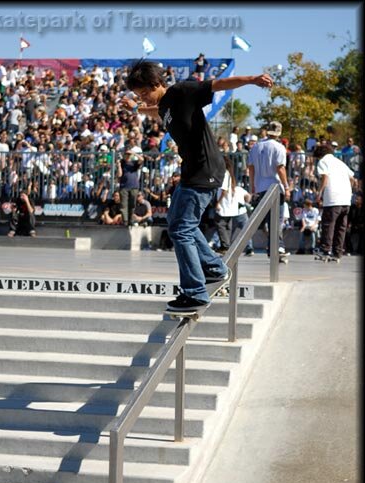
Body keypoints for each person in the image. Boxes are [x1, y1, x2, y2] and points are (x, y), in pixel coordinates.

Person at [122, 59, 273, 312]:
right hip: (192, 171)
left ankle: (195, 292)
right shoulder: (166, 105)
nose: (144, 98)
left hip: (205, 169)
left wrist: (251, 79)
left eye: (145, 92)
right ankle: (215, 269)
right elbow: (157, 110)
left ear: (157, 83)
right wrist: (138, 108)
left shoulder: (182, 91)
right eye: (139, 95)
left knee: (181, 229)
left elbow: (217, 84)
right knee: (177, 222)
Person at [248, 120, 291, 258]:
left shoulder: (256, 147)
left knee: (268, 219)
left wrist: (252, 186)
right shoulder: (279, 147)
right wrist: (286, 186)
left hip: (260, 186)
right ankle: (277, 246)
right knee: (277, 219)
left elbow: (251, 167)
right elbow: (280, 168)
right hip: (275, 186)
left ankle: (273, 246)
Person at [314, 143, 355, 259]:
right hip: (346, 199)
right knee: (341, 227)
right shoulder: (340, 162)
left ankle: (325, 249)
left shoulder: (323, 162)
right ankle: (338, 252)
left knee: (329, 224)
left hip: (333, 198)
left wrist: (320, 192)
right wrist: (349, 192)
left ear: (319, 155)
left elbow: (325, 177)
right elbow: (352, 179)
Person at [215, 155, 254, 256]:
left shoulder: (224, 174)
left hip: (224, 205)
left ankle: (225, 246)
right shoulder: (229, 174)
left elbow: (223, 190)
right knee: (228, 226)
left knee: (221, 224)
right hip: (230, 207)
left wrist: (218, 202)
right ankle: (227, 245)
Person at [116, 147, 144, 225]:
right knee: (124, 204)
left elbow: (142, 160)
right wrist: (118, 165)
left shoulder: (134, 163)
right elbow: (119, 174)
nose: (128, 156)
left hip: (134, 186)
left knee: (132, 204)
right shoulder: (122, 163)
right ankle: (125, 221)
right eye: (126, 154)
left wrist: (134, 153)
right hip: (124, 186)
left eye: (129, 154)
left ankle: (130, 220)